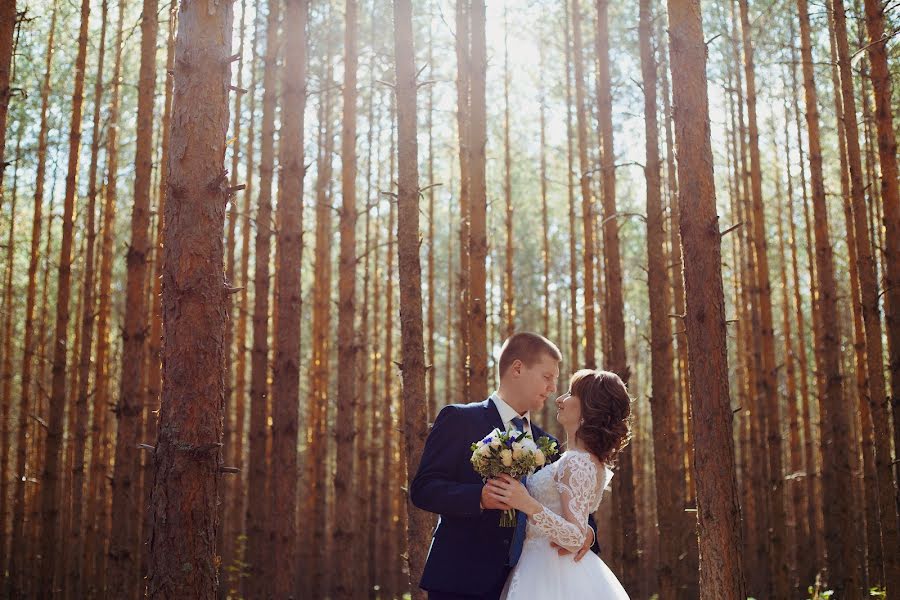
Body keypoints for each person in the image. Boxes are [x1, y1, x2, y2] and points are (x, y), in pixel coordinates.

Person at [410, 332, 597, 600]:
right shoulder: (460, 419)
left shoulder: (549, 443)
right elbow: (424, 489)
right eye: (547, 377)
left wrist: (589, 533)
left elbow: (573, 502)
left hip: (530, 583)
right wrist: (479, 498)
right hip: (461, 581)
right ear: (517, 368)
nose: (553, 388)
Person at [490, 369, 631, 599]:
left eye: (570, 393)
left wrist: (526, 503)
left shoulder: (576, 462)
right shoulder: (581, 459)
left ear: (588, 408)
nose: (559, 399)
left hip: (550, 570)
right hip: (542, 563)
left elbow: (575, 539)